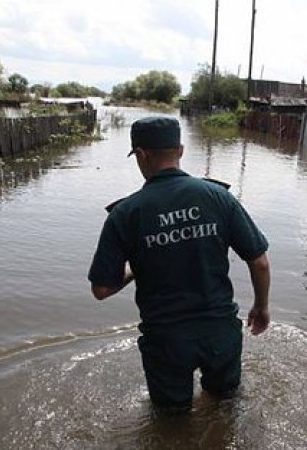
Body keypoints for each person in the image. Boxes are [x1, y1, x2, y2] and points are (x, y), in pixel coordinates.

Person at [88, 116, 271, 414]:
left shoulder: (125, 214)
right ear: (181, 151)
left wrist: (135, 271)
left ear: (142, 154)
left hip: (166, 341)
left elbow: (102, 289)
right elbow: (260, 262)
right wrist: (261, 307)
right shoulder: (219, 197)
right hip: (220, 332)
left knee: (170, 424)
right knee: (225, 409)